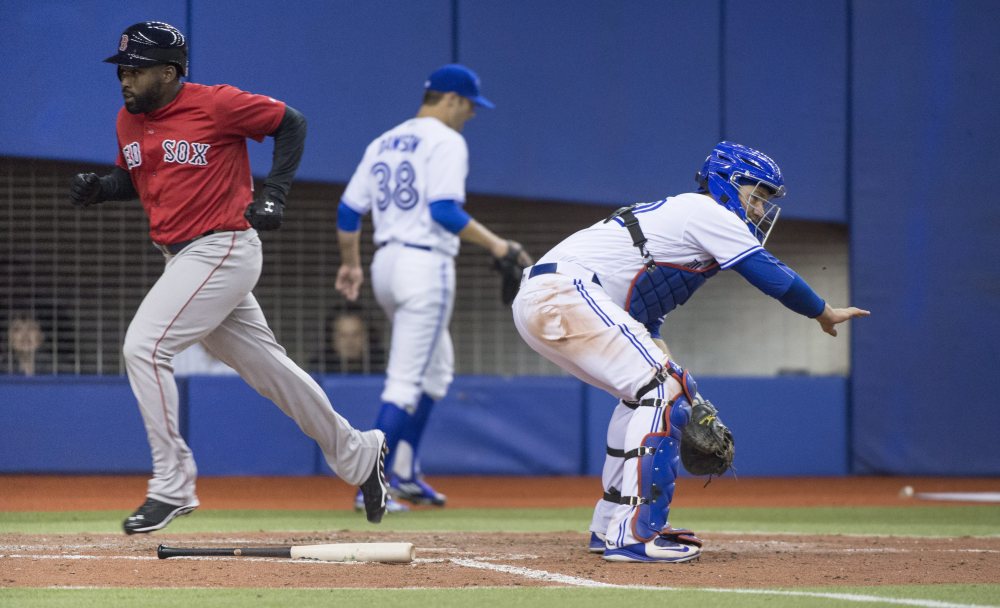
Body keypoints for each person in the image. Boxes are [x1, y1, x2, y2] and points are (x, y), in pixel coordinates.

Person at [67, 21, 389, 534]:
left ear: (170, 72)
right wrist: (102, 189)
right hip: (183, 258)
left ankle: (171, 486)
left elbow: (292, 122)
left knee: (144, 347)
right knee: (272, 372)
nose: (125, 78)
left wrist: (275, 193)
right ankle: (357, 451)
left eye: (137, 69)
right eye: (122, 69)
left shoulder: (216, 103)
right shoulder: (129, 122)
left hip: (222, 246)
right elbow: (135, 179)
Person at [512, 141, 870, 563]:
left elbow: (643, 311)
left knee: (652, 392)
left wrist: (682, 392)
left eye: (765, 200)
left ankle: (611, 524)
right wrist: (821, 312)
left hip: (551, 299)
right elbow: (767, 272)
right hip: (565, 293)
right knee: (665, 390)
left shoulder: (681, 223)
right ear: (724, 183)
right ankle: (636, 534)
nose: (760, 209)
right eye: (755, 195)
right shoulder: (706, 212)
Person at [335, 64, 532, 511]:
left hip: (385, 261)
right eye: (470, 105)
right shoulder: (446, 140)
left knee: (437, 371)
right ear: (451, 99)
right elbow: (443, 211)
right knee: (404, 382)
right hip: (425, 263)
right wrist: (499, 245)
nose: (472, 115)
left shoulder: (384, 140)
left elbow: (348, 214)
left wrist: (351, 264)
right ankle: (371, 484)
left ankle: (402, 473)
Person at [310, 305, 386, 374]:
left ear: (367, 337)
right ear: (332, 339)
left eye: (356, 334)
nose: (350, 342)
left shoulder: (383, 370)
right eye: (343, 335)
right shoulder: (318, 374)